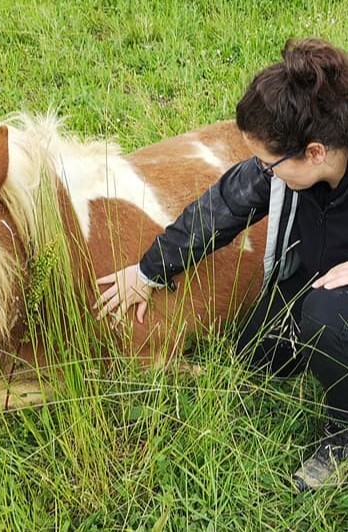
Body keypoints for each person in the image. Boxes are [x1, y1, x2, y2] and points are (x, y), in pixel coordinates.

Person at [95, 38, 348, 491]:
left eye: (269, 164)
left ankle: (342, 434)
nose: (262, 171)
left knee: (325, 319)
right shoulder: (291, 171)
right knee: (256, 352)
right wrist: (148, 270)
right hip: (314, 275)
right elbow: (221, 208)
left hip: (335, 295)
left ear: (314, 152)